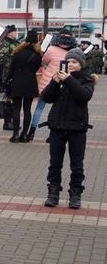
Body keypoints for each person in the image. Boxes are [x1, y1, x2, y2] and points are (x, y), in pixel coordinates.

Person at [40, 48, 93, 209]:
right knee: (55, 163)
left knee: (77, 164)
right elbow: (46, 98)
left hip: (77, 128)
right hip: (57, 127)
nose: (70, 64)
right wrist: (55, 83)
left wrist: (69, 79)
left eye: (74, 62)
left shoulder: (86, 79)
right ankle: (53, 192)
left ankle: (75, 194)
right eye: (68, 61)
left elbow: (84, 96)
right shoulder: (60, 78)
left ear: (81, 65)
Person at [29, 30, 77, 142]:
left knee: (39, 108)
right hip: (64, 83)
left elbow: (44, 61)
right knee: (58, 109)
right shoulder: (74, 51)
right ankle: (53, 134)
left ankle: (32, 132)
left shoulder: (51, 49)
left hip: (48, 82)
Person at [5, 30, 42, 143]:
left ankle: (15, 135)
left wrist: (8, 80)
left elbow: (11, 70)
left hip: (17, 83)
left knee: (16, 109)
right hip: (30, 83)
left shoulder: (18, 53)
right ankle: (24, 135)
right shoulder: (38, 55)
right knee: (27, 110)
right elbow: (36, 69)